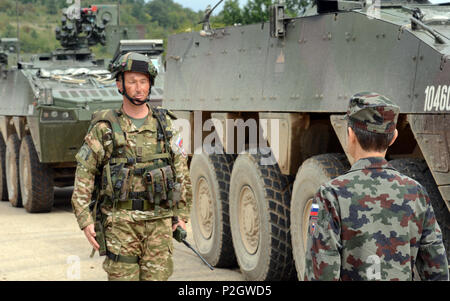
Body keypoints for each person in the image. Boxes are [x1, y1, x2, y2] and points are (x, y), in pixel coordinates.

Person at [71, 52, 192, 281]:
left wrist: (181, 215)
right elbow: (84, 176)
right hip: (120, 225)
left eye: (144, 81)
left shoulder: (166, 126)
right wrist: (85, 221)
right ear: (120, 85)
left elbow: (181, 173)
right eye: (133, 81)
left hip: (159, 223)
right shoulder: (105, 128)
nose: (139, 87)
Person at [304, 92, 449, 281]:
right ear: (393, 137)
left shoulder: (329, 196)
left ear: (350, 135)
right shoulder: (417, 193)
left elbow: (319, 273)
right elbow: (438, 271)